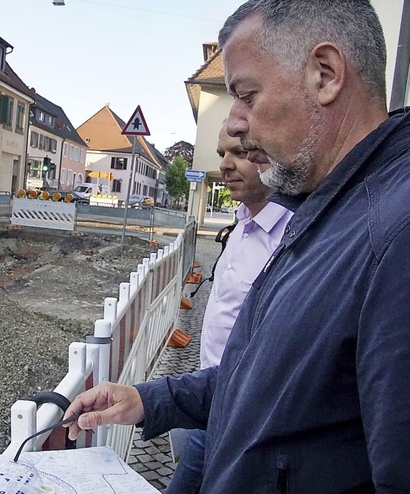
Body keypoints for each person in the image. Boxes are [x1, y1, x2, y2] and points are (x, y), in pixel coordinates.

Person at [64, 1, 410, 492]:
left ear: (326, 74)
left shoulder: (394, 233)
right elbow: (265, 379)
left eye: (246, 95)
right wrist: (151, 400)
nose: (236, 123)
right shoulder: (328, 208)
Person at [166, 123, 293, 494]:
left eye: (238, 153)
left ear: (268, 157)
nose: (225, 165)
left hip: (252, 424)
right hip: (212, 408)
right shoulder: (240, 223)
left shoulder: (293, 236)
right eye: (222, 154)